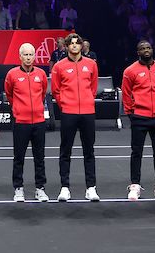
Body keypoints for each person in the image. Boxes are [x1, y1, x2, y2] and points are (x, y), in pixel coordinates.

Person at [121, 40, 155, 200]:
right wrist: (131, 112)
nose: (146, 50)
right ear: (138, 52)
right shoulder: (130, 71)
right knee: (136, 152)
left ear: (152, 50)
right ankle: (135, 185)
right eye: (142, 48)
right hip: (139, 116)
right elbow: (126, 93)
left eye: (148, 48)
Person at [50, 33, 99, 201]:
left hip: (87, 112)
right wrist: (65, 104)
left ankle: (91, 187)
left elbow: (93, 87)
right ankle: (65, 187)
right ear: (67, 46)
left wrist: (87, 101)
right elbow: (56, 90)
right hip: (68, 112)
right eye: (71, 44)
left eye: (77, 43)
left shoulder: (91, 64)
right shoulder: (59, 66)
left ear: (81, 46)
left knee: (89, 151)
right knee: (65, 150)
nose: (74, 46)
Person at [4, 42, 49, 202]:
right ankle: (18, 189)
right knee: (19, 157)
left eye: (31, 54)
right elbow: (9, 94)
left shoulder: (41, 74)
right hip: (20, 122)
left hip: (38, 121)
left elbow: (43, 93)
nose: (29, 58)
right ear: (20, 56)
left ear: (34, 56)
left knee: (40, 157)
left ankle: (40, 189)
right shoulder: (12, 74)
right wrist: (18, 108)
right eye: (26, 55)